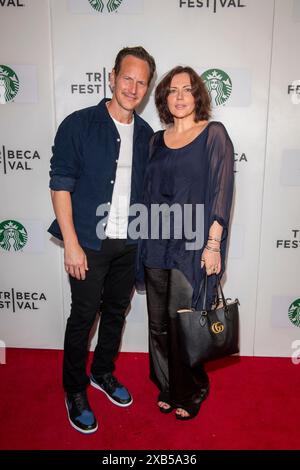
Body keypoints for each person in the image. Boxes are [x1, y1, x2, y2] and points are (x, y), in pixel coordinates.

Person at [48, 46, 156, 434]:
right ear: (111, 77)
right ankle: (74, 389)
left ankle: (103, 372)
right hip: (88, 245)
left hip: (128, 244)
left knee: (115, 313)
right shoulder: (78, 125)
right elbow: (60, 184)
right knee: (83, 317)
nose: (133, 87)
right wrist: (72, 244)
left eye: (141, 81)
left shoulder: (146, 136)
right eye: (127, 77)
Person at [140, 66, 234, 420]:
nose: (179, 96)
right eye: (172, 90)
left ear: (198, 96)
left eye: (187, 89)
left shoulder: (213, 134)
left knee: (185, 323)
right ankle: (166, 384)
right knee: (157, 323)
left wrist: (214, 243)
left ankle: (191, 388)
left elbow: (222, 191)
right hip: (154, 242)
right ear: (164, 97)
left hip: (192, 244)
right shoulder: (154, 140)